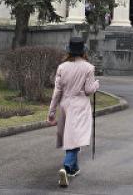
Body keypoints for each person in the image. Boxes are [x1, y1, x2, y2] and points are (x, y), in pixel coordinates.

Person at [48, 37, 100, 187]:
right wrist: (96, 84)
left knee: (71, 136)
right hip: (80, 105)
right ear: (83, 51)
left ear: (69, 50)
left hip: (65, 104)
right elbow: (89, 90)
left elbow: (57, 92)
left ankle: (73, 168)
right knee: (76, 136)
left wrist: (51, 112)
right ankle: (66, 166)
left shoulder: (62, 67)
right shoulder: (88, 67)